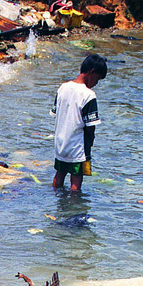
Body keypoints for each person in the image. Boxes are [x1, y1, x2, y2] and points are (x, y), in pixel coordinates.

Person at [52, 53, 108, 192]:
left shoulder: (62, 88)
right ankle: (75, 210)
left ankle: (56, 204)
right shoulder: (88, 95)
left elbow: (55, 113)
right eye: (97, 79)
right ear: (92, 73)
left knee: (59, 175)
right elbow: (90, 125)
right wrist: (91, 140)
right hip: (78, 146)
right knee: (76, 181)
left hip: (61, 143)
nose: (96, 83)